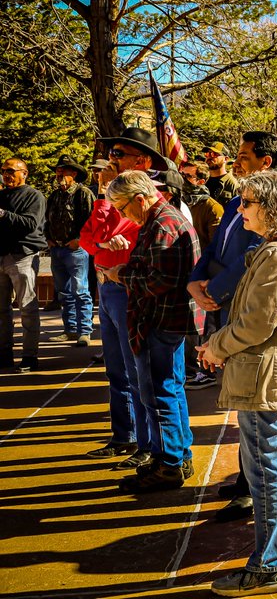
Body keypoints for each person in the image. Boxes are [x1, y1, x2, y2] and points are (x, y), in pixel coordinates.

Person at [198, 171, 277, 597]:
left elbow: (256, 325)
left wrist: (215, 346)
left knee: (266, 469)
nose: (240, 210)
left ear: (271, 207)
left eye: (248, 202)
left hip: (266, 376)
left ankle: (268, 566)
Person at [189, 130, 277, 516]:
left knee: (258, 406)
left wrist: (215, 289)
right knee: (239, 398)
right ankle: (246, 475)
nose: (237, 161)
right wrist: (196, 281)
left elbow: (253, 254)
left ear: (266, 161)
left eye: (245, 155)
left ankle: (255, 488)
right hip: (223, 304)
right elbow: (214, 247)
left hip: (247, 309)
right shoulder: (237, 201)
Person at [99, 170, 200, 493]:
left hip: (160, 319)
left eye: (123, 208)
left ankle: (168, 463)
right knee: (170, 389)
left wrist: (120, 275)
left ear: (140, 199)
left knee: (159, 393)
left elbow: (159, 281)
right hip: (164, 318)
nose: (123, 216)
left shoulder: (162, 224)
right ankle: (178, 455)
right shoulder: (161, 220)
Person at [80, 160, 152, 466]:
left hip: (124, 291)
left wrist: (102, 238)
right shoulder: (106, 205)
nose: (101, 174)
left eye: (109, 166)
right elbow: (86, 239)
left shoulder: (132, 208)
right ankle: (124, 434)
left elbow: (112, 233)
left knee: (135, 370)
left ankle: (146, 443)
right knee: (115, 369)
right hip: (106, 290)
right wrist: (100, 242)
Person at [0, 157, 47, 372]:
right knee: (2, 311)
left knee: (27, 308)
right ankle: (4, 355)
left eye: (11, 170)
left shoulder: (34, 196)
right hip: (1, 256)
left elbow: (30, 224)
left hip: (22, 257)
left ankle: (29, 356)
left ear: (24, 173)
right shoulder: (1, 195)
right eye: (3, 171)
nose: (6, 174)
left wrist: (3, 214)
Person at [45, 155, 96, 347]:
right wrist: (48, 238)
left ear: (73, 173)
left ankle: (85, 331)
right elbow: (47, 219)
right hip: (57, 249)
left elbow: (92, 221)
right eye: (58, 170)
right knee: (64, 293)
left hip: (76, 251)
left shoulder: (83, 193)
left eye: (63, 170)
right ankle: (70, 329)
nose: (59, 173)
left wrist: (80, 241)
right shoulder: (54, 195)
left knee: (81, 291)